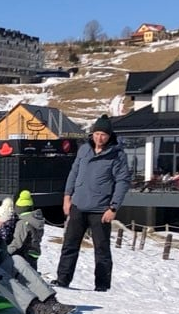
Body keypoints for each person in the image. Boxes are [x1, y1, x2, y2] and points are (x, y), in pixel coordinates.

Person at [52, 114, 131, 292]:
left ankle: (102, 286)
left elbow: (122, 181)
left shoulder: (117, 155)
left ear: (109, 136)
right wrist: (67, 196)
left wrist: (113, 207)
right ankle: (62, 280)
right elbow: (74, 172)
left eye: (103, 134)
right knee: (69, 245)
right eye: (96, 134)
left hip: (101, 209)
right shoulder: (84, 149)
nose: (99, 138)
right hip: (78, 205)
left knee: (101, 250)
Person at [8, 190, 45, 270]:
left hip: (24, 254)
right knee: (33, 273)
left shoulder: (22, 223)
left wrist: (6, 252)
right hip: (34, 252)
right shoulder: (37, 220)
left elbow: (17, 243)